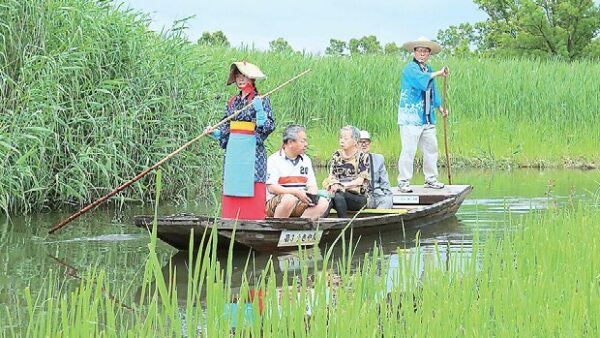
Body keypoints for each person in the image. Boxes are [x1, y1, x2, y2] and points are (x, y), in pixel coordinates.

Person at [206, 61, 275, 219]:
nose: (240, 79)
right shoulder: (233, 101)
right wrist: (215, 132)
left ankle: (253, 218)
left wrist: (260, 112)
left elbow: (269, 126)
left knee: (252, 181)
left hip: (252, 150)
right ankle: (231, 219)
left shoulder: (261, 100)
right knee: (232, 183)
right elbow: (226, 126)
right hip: (234, 151)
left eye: (244, 76)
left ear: (251, 79)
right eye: (238, 76)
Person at [397, 37, 449, 193]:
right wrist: (439, 73)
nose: (422, 54)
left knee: (431, 148)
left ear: (429, 54)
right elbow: (421, 81)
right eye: (419, 51)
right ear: (414, 52)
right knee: (409, 150)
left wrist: (439, 107)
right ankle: (403, 181)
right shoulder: (410, 69)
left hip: (427, 116)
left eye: (425, 51)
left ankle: (431, 179)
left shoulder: (429, 69)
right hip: (411, 117)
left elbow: (433, 90)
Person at [265, 125, 329, 219]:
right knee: (289, 199)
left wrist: (312, 195)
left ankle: (300, 226)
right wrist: (295, 192)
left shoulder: (306, 160)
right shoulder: (274, 160)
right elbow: (271, 188)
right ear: (290, 142)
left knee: (323, 202)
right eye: (302, 141)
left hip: (299, 201)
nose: (306, 144)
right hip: (277, 203)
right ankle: (278, 228)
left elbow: (312, 185)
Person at [323, 126, 371, 218]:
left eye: (345, 138)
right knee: (334, 196)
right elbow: (331, 176)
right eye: (341, 138)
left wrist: (341, 186)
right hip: (338, 194)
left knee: (336, 195)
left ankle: (320, 223)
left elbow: (360, 181)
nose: (342, 140)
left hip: (358, 197)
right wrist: (334, 185)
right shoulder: (336, 155)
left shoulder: (363, 157)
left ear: (355, 141)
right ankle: (342, 223)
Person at [358, 130, 394, 209]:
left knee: (387, 200)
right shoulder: (352, 160)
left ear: (370, 143)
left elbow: (385, 183)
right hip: (361, 198)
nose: (364, 144)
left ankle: (380, 218)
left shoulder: (378, 159)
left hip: (377, 196)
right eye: (360, 142)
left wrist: (387, 195)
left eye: (366, 142)